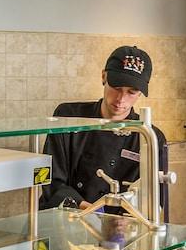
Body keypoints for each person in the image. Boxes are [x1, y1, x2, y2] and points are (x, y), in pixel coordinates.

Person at [39, 45, 165, 211]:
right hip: (66, 217)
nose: (121, 98)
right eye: (116, 88)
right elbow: (48, 179)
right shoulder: (67, 117)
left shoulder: (150, 136)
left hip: (120, 230)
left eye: (131, 92)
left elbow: (154, 198)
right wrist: (90, 212)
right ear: (103, 77)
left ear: (141, 92)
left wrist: (120, 222)